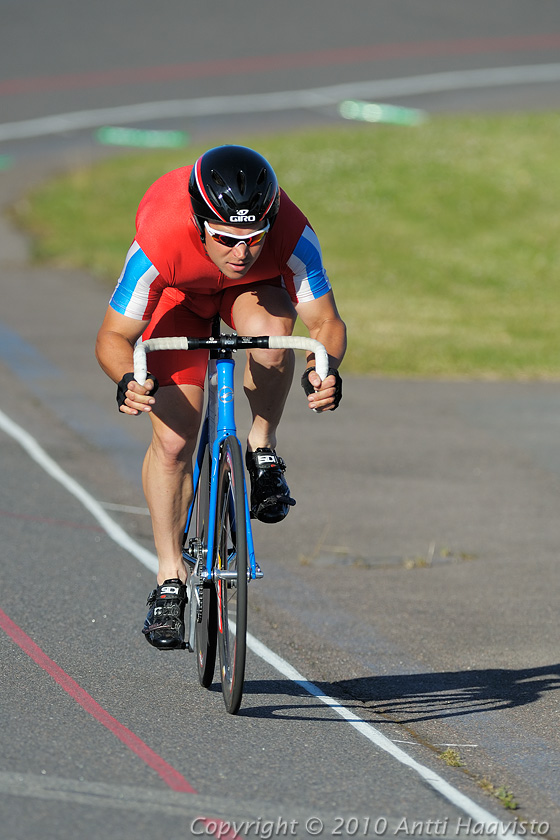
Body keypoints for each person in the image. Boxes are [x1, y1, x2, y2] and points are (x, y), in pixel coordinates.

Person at [95, 144, 346, 650]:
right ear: (199, 221)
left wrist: (324, 369)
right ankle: (170, 577)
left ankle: (262, 445)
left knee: (273, 341)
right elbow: (113, 337)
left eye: (254, 239)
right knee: (173, 443)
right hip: (178, 297)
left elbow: (325, 322)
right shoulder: (160, 240)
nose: (241, 253)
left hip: (253, 294)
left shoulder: (292, 233)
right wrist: (127, 378)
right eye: (227, 238)